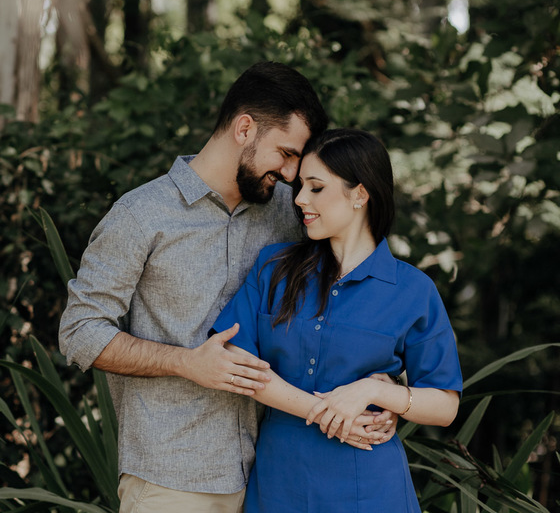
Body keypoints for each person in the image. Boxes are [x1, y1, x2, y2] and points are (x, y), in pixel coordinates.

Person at [58, 62, 393, 513]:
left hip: (271, 476)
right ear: (244, 128)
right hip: (171, 479)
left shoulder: (291, 211)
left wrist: (382, 385)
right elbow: (79, 332)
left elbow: (350, 290)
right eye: (286, 153)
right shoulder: (141, 215)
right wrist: (186, 363)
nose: (293, 174)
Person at [212, 128, 462, 512]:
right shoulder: (274, 267)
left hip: (371, 485)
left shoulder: (413, 290)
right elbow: (236, 361)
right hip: (281, 480)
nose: (298, 199)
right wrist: (327, 411)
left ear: (359, 195)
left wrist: (372, 392)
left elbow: (445, 405)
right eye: (301, 187)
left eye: (316, 188)